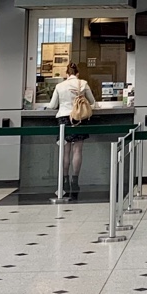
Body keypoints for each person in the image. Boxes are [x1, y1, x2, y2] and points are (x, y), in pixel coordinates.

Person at [45, 63, 95, 201]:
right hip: (79, 117)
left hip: (63, 119)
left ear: (66, 74)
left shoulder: (60, 86)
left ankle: (64, 180)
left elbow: (52, 105)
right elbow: (92, 102)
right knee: (77, 150)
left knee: (65, 151)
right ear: (77, 73)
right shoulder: (83, 83)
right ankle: (75, 180)